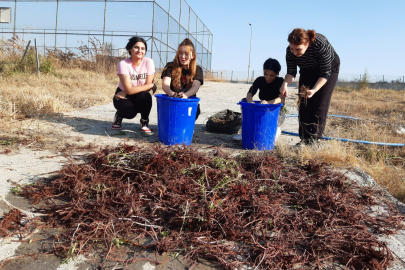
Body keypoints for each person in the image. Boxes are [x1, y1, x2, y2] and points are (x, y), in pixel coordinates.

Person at [280, 28, 340, 146]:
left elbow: (325, 74)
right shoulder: (290, 52)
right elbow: (291, 73)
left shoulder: (319, 44)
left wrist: (314, 90)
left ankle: (314, 140)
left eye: (298, 49)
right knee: (304, 102)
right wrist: (285, 84)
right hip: (307, 70)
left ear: (307, 44)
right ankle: (304, 139)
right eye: (292, 48)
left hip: (328, 70)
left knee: (320, 102)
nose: (294, 52)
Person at [233, 58, 285, 141]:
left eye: (272, 75)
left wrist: (268, 103)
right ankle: (245, 133)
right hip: (261, 108)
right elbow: (249, 94)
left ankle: (275, 131)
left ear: (277, 73)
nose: (268, 78)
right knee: (245, 100)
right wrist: (251, 103)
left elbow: (281, 99)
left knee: (271, 123)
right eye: (266, 74)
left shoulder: (280, 81)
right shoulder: (259, 80)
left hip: (276, 111)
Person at [112, 36, 156, 133]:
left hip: (139, 94)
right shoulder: (123, 64)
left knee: (146, 96)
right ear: (129, 49)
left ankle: (144, 121)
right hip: (122, 94)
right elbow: (147, 85)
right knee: (130, 112)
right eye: (136, 47)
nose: (140, 50)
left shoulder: (149, 62)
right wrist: (151, 85)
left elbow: (146, 86)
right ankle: (119, 115)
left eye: (143, 48)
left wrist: (129, 91)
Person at [161, 38, 203, 120]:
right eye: (180, 53)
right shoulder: (170, 66)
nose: (183, 57)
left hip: (188, 101)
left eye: (186, 54)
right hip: (172, 100)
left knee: (196, 110)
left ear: (192, 56)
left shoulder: (197, 69)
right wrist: (170, 92)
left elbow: (195, 87)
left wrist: (186, 95)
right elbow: (165, 84)